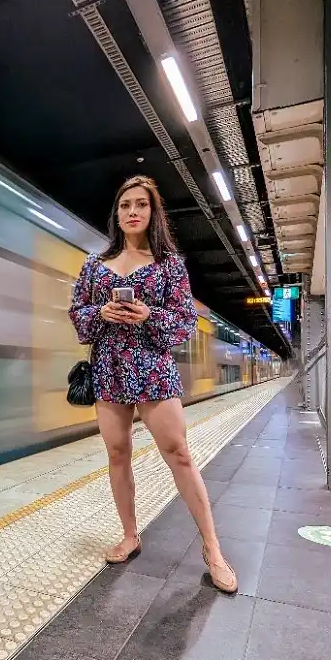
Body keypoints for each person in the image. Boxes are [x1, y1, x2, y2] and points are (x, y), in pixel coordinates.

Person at [69, 175, 238, 593]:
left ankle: (213, 548)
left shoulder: (170, 265)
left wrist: (148, 315)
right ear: (117, 213)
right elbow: (77, 314)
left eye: (141, 204)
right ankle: (130, 535)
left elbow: (184, 323)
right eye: (125, 205)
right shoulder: (94, 265)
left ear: (152, 212)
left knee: (179, 453)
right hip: (108, 367)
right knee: (117, 453)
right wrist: (100, 314)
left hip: (153, 367)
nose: (132, 211)